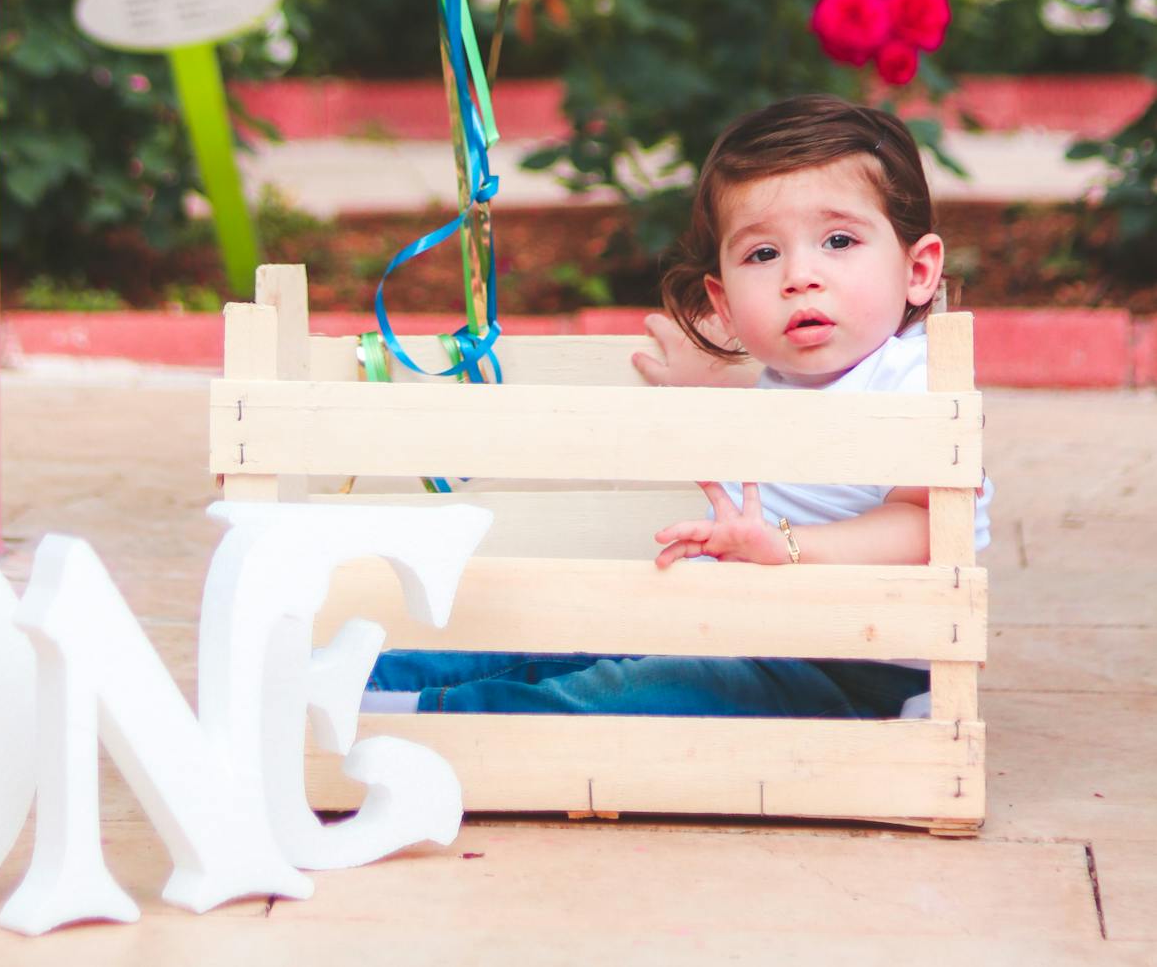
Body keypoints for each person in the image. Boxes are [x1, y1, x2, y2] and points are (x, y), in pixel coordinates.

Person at [364, 94, 991, 719]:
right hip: (743, 631)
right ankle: (368, 680)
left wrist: (787, 548)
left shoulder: (918, 384)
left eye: (838, 239)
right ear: (722, 301)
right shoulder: (780, 380)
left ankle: (421, 718)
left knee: (620, 694)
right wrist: (718, 377)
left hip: (850, 666)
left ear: (918, 270)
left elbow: (931, 525)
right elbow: (788, 408)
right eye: (763, 254)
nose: (800, 275)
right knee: (552, 639)